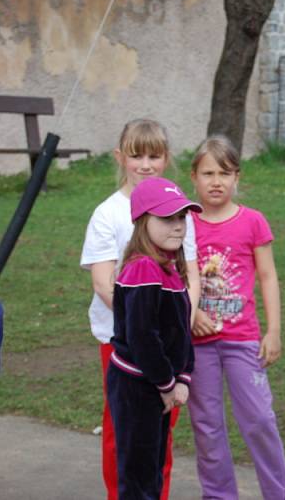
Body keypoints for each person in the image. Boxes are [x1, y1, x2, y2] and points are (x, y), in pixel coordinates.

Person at [80, 119, 200, 500]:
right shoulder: (107, 214)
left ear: (167, 159)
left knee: (158, 438)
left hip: (166, 350)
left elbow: (190, 275)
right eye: (137, 155)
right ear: (120, 158)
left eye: (154, 155)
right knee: (125, 437)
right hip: (126, 347)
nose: (145, 164)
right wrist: (144, 323)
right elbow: (103, 284)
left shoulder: (179, 210)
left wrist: (177, 327)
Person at [187, 135, 285, 498]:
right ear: (194, 177)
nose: (217, 181)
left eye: (225, 173)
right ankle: (219, 495)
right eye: (208, 173)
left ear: (237, 177)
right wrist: (191, 312)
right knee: (207, 426)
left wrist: (273, 331)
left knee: (260, 420)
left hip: (243, 340)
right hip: (198, 346)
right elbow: (174, 277)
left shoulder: (253, 222)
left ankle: (280, 492)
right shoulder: (182, 223)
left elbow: (268, 277)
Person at [107, 176, 202, 499]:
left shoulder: (169, 267)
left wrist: (184, 377)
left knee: (151, 472)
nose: (177, 226)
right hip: (138, 387)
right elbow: (142, 336)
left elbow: (178, 331)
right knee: (138, 478)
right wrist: (166, 384)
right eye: (167, 218)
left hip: (158, 385)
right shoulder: (143, 268)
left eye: (182, 217)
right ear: (143, 220)